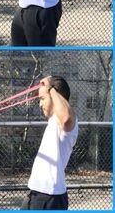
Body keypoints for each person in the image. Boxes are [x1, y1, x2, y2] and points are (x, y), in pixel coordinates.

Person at [20, 75, 78, 210]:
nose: (40, 104)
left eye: (42, 99)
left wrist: (50, 88)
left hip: (50, 197)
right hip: (36, 193)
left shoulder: (68, 119)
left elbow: (67, 118)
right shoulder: (54, 121)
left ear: (56, 95)